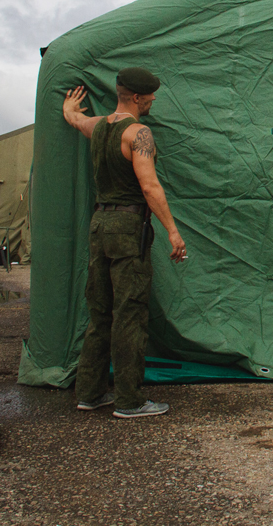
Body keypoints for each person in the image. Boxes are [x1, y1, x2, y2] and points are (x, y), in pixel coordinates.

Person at [62, 67, 188, 419]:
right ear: (136, 97)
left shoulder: (98, 126)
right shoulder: (138, 133)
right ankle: (129, 401)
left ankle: (89, 393)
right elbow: (150, 187)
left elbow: (75, 120)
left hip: (99, 225)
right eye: (150, 96)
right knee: (129, 313)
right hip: (128, 227)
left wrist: (70, 109)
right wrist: (172, 232)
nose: (153, 101)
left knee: (100, 313)